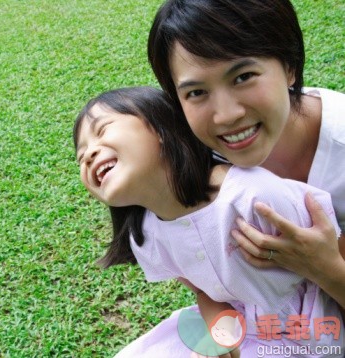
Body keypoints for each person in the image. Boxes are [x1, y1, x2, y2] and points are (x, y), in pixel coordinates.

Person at [73, 86, 344, 357]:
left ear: (161, 126)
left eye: (102, 131)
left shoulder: (255, 198)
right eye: (81, 156)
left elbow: (332, 256)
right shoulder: (148, 234)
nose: (88, 155)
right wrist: (222, 335)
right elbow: (207, 295)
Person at [147, 0, 345, 310]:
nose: (225, 116)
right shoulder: (196, 161)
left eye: (243, 77)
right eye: (196, 92)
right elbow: (210, 289)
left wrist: (326, 268)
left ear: (289, 67)